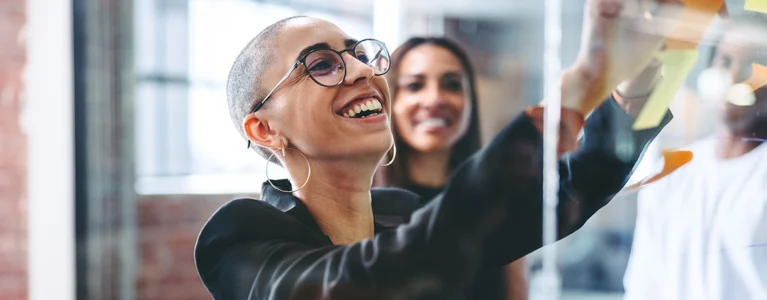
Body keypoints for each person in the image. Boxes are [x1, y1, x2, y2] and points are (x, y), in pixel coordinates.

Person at [194, 0, 678, 298]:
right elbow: (367, 282)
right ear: (263, 130)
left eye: (360, 54)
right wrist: (581, 84)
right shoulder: (238, 238)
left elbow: (570, 192)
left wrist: (660, 69)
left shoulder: (402, 210)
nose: (363, 71)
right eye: (320, 64)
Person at [372, 36, 529, 300]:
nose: (434, 99)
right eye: (414, 85)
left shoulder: (501, 200)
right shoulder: (362, 205)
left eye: (452, 85)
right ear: (390, 100)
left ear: (470, 102)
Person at [623, 13, 767, 300]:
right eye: (725, 61)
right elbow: (644, 285)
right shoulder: (672, 171)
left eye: (752, 65)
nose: (734, 75)